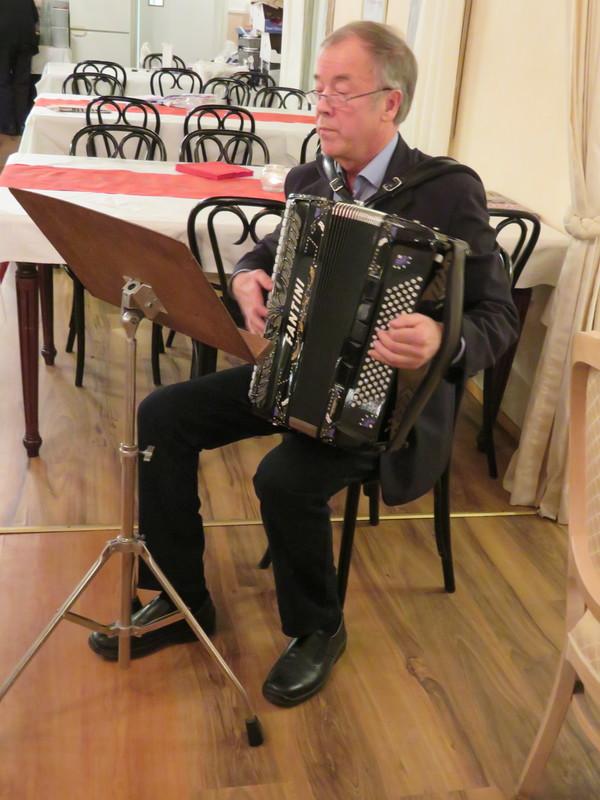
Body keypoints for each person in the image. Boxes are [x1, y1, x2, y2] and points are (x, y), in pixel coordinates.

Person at [88, 22, 519, 707]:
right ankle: (181, 599)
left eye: (341, 91)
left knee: (283, 477)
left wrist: (444, 339)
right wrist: (245, 277)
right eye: (319, 90)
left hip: (386, 402)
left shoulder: (445, 191)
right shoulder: (311, 177)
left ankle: (319, 629)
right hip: (298, 374)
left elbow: (499, 315)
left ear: (390, 103)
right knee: (162, 415)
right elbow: (270, 251)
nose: (322, 106)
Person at [0, 0, 39, 135]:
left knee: (2, 82)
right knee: (22, 83)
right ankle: (22, 123)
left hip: (3, 38)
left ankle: (8, 125)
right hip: (26, 38)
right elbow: (35, 18)